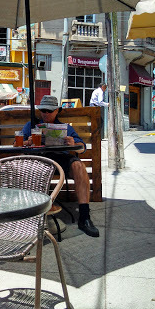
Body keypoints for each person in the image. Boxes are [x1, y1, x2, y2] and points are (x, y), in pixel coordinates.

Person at [18, 95, 99, 237]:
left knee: (79, 166)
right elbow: (16, 146)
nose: (46, 113)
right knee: (27, 167)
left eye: (50, 111)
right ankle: (31, 214)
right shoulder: (31, 126)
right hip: (39, 160)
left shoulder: (65, 128)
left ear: (57, 111)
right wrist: (27, 142)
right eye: (43, 110)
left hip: (61, 159)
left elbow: (82, 148)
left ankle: (84, 217)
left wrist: (73, 144)